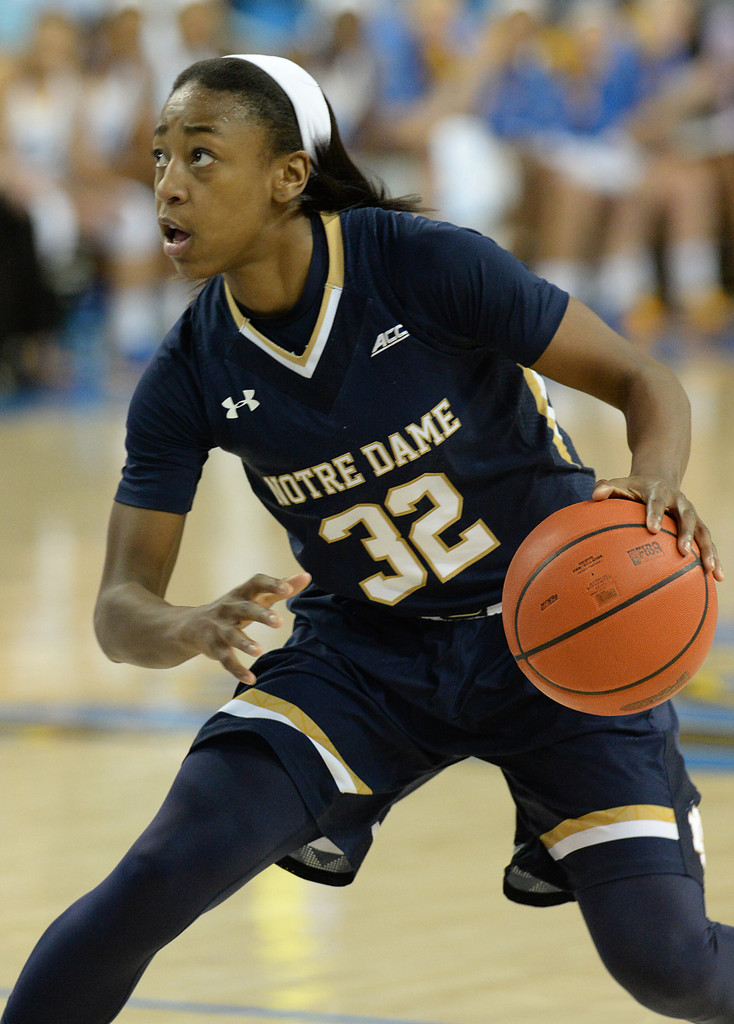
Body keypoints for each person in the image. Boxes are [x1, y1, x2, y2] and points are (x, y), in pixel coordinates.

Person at [1, 53, 731, 1024]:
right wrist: (185, 625)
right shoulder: (186, 372)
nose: (167, 183)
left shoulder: (424, 263)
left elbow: (645, 380)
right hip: (364, 653)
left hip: (555, 633)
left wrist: (653, 477)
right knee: (156, 874)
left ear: (287, 176)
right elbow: (117, 609)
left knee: (667, 963)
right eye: (159, 155)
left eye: (202, 156)